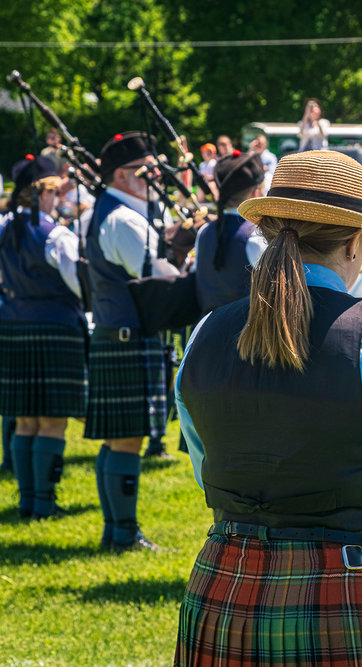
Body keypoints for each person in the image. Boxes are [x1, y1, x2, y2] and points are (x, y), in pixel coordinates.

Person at [173, 150, 362, 664]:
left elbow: (208, 472)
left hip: (225, 582)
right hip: (351, 591)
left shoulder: (204, 333)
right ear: (355, 241)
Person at [85, 131, 179, 551]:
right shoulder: (123, 219)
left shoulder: (118, 211)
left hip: (117, 334)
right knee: (126, 438)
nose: (154, 176)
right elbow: (157, 276)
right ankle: (123, 533)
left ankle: (116, 529)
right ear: (123, 175)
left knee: (117, 438)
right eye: (147, 170)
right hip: (128, 336)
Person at [0, 155, 86, 519]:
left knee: (24, 419)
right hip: (56, 328)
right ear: (44, 193)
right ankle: (45, 502)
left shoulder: (3, 228)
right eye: (55, 191)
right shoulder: (57, 235)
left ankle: (26, 500)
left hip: (13, 324)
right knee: (52, 420)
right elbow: (79, 285)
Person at [192, 150, 267, 314]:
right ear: (255, 193)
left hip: (205, 334)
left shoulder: (204, 232)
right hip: (246, 338)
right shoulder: (256, 237)